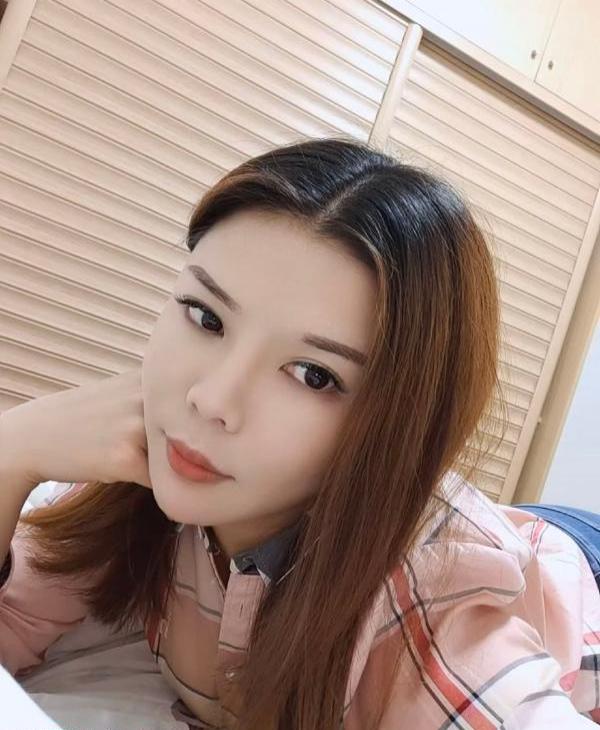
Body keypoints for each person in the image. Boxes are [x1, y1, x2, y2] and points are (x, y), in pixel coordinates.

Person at [0, 136, 599, 730]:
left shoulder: (429, 601)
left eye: (314, 375)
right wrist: (13, 450)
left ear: (399, 422)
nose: (211, 400)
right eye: (206, 317)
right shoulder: (147, 465)